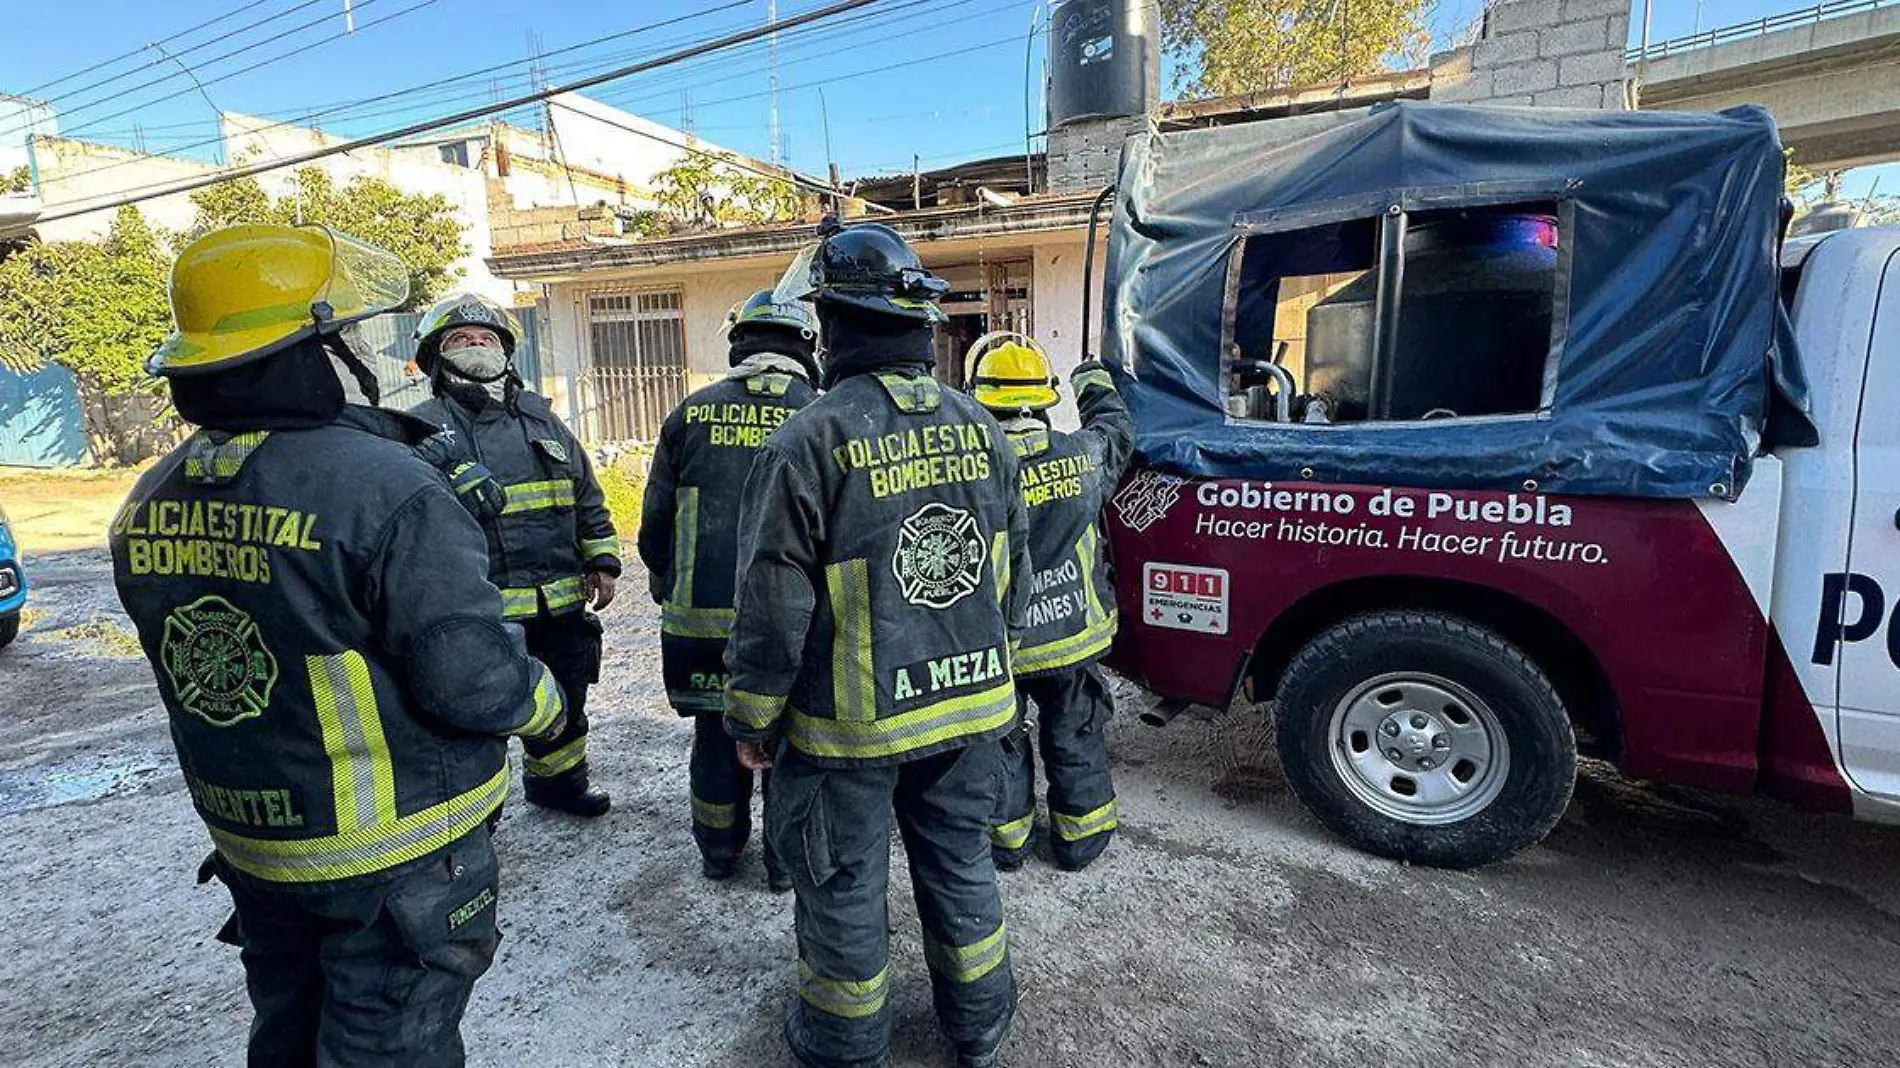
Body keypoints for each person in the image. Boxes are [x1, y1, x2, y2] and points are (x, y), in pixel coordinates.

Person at [109, 224, 567, 1067]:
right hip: (393, 856)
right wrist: (546, 704)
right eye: (341, 338)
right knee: (389, 1045)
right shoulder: (384, 488)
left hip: (258, 844)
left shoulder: (153, 494)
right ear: (305, 351)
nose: (356, 355)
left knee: (286, 1029)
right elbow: (468, 678)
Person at [725, 219, 1032, 1068]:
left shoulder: (810, 440)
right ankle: (979, 1028)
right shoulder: (984, 427)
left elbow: (772, 599)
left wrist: (750, 717)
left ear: (835, 327)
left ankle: (844, 1042)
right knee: (962, 868)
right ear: (919, 328)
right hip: (972, 711)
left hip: (847, 735)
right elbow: (1014, 569)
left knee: (842, 888)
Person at [409, 293, 618, 818]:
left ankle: (558, 785)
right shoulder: (420, 429)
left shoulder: (543, 422)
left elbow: (585, 493)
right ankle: (479, 814)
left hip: (559, 600)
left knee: (565, 700)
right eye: (461, 339)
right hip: (479, 608)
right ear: (436, 356)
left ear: (506, 352)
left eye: (486, 338)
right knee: (479, 710)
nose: (476, 345)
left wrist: (603, 560)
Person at [638, 290, 820, 887]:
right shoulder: (821, 415)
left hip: (700, 627)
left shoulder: (689, 414)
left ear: (739, 342)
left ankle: (718, 852)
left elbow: (654, 528)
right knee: (791, 748)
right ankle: (781, 867)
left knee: (716, 741)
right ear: (806, 347)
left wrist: (668, 586)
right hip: (792, 630)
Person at [965, 334, 1135, 871]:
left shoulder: (971, 469)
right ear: (1044, 399)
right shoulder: (1083, 456)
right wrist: (1092, 380)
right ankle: (1081, 840)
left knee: (1001, 744)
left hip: (1003, 647)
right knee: (1076, 733)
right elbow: (1117, 431)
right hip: (1071, 634)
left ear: (980, 398)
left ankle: (1009, 842)